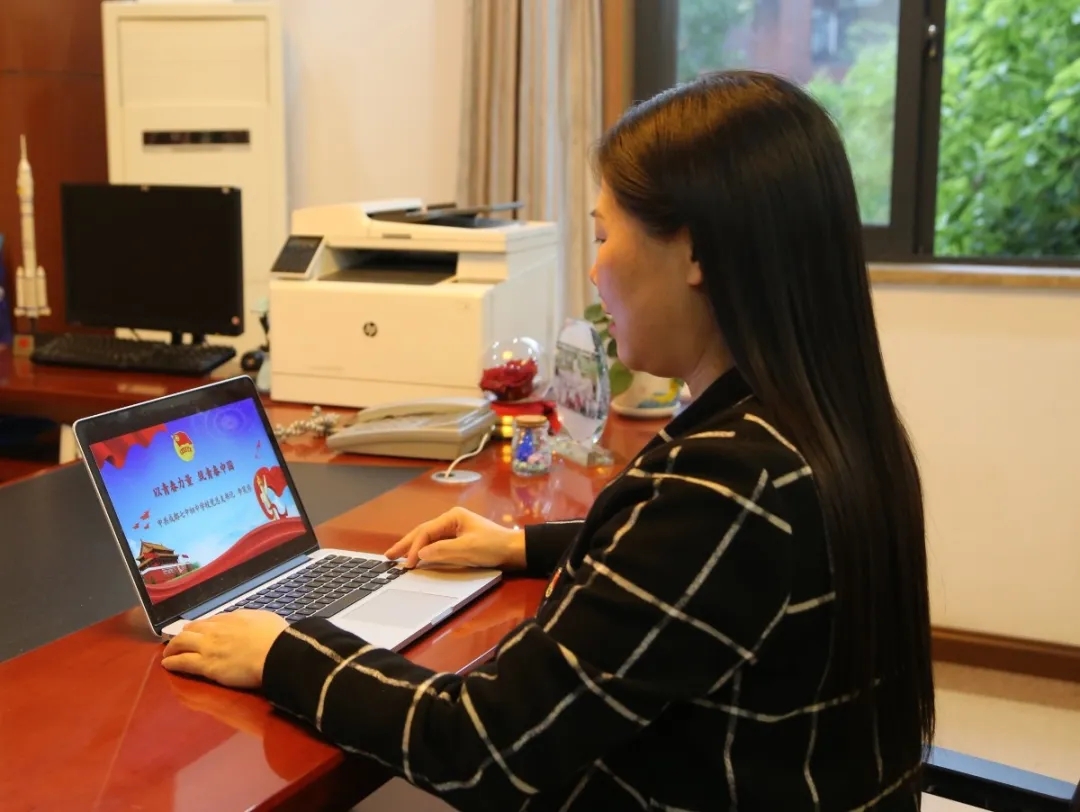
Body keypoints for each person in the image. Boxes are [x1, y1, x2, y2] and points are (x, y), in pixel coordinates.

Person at [161, 70, 934, 810]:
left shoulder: (729, 484)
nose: (594, 272)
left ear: (695, 253)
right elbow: (696, 566)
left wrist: (284, 653)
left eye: (603, 235)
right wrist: (521, 546)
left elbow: (481, 747)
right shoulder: (818, 427)